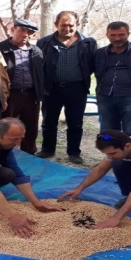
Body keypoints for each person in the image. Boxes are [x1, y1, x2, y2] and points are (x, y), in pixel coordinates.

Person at [34, 11, 97, 164]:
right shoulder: (44, 42)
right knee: (49, 122)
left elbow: (94, 64)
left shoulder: (88, 43)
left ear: (77, 25)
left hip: (77, 89)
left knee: (75, 123)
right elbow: (38, 67)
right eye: (63, 25)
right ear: (56, 25)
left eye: (71, 25)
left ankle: (74, 152)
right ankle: (48, 149)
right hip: (52, 88)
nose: (67, 28)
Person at [0, 19, 44, 155]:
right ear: (12, 30)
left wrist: (40, 93)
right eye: (22, 30)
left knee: (31, 126)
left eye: (30, 32)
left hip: (31, 95)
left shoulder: (36, 51)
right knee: (5, 126)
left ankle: (29, 153)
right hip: (9, 95)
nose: (26, 34)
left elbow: (41, 73)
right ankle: (1, 153)